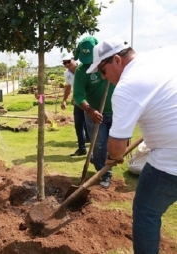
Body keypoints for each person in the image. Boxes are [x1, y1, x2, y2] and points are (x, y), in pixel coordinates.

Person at [86, 38, 177, 254]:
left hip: (170, 162)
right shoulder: (162, 57)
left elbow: (117, 147)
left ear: (117, 60)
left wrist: (112, 157)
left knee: (146, 212)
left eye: (102, 70)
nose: (103, 77)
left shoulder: (127, 86)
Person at [73, 36, 115, 188]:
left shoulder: (109, 62)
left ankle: (98, 160)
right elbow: (77, 95)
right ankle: (104, 174)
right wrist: (90, 110)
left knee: (113, 145)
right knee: (99, 145)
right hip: (94, 114)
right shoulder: (81, 71)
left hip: (116, 111)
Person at [60, 52, 89, 156]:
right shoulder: (66, 74)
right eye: (64, 63)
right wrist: (64, 100)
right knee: (78, 125)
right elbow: (68, 87)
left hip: (90, 101)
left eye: (68, 61)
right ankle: (82, 148)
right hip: (78, 102)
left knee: (92, 125)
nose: (67, 64)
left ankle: (96, 151)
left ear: (74, 59)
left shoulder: (84, 69)